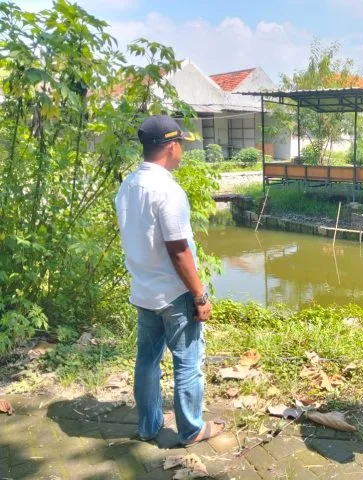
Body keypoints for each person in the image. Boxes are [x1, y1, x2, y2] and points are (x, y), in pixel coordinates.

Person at [115, 115, 224, 446]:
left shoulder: (128, 185)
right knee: (188, 362)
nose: (182, 152)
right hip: (174, 293)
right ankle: (191, 430)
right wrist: (200, 296)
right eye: (181, 145)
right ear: (171, 147)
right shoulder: (168, 190)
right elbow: (179, 250)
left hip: (143, 289)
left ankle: (149, 426)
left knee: (147, 361)